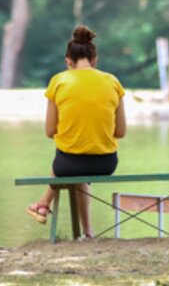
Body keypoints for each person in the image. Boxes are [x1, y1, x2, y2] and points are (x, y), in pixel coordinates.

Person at [26, 25, 127, 239]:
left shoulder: (59, 81)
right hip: (106, 163)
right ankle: (88, 231)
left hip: (67, 164)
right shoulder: (112, 82)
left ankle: (43, 204)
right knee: (80, 166)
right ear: (95, 59)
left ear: (67, 61)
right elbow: (121, 131)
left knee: (69, 161)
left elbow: (49, 130)